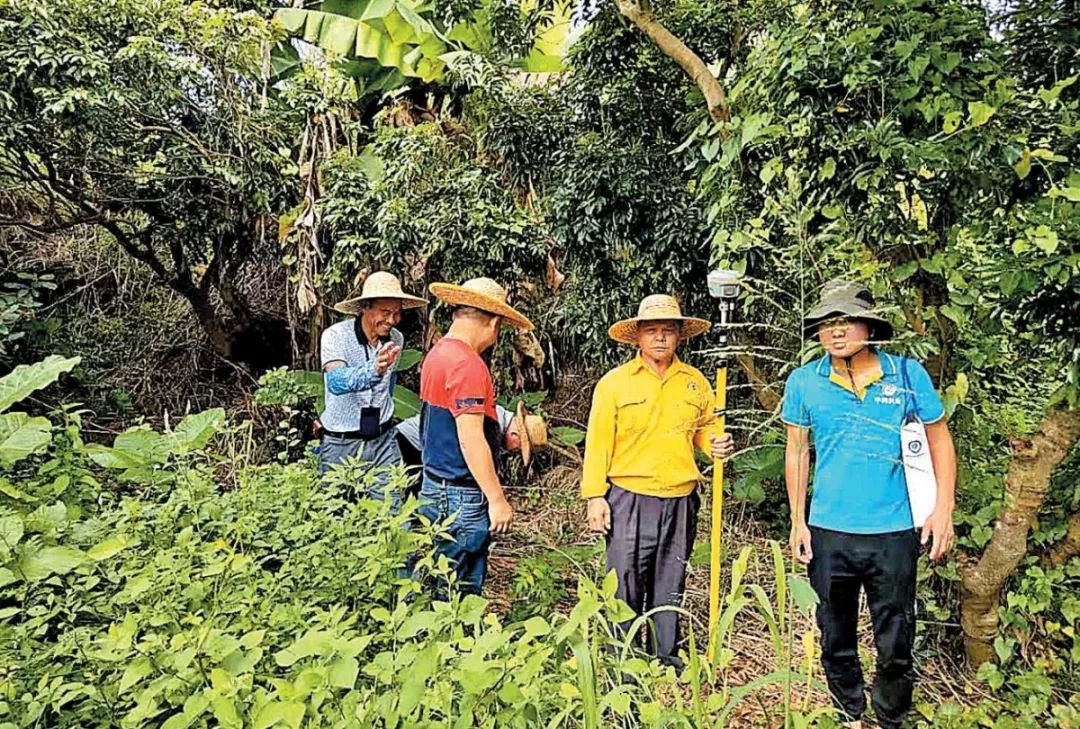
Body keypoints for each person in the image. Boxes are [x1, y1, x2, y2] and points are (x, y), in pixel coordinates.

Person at [782, 279, 956, 729]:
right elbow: (798, 451)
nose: (836, 332)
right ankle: (848, 711)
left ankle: (890, 715)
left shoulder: (905, 375)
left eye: (845, 322)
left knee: (896, 634)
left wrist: (943, 510)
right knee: (834, 632)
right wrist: (798, 521)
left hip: (894, 530)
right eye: (827, 323)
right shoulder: (805, 382)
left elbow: (939, 439)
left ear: (869, 328)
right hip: (829, 529)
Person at [581, 294, 735, 668]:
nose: (661, 338)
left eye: (668, 331)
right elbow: (598, 441)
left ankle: (666, 659)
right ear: (638, 337)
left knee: (671, 581)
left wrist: (714, 444)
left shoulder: (696, 382)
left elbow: (701, 432)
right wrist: (594, 497)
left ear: (680, 335)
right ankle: (625, 663)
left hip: (681, 497)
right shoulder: (615, 384)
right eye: (652, 331)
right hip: (629, 498)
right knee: (626, 582)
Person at [418, 277, 534, 596]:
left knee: (439, 579)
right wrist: (497, 500)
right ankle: (461, 645)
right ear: (494, 322)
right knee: (461, 590)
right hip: (460, 494)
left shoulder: (437, 354)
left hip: (434, 485)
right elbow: (470, 439)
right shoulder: (468, 365)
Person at [318, 271, 427, 507]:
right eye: (385, 312)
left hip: (383, 440)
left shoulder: (395, 339)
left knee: (392, 511)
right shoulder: (335, 337)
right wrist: (372, 370)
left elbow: (389, 385)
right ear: (365, 307)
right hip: (341, 444)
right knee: (334, 514)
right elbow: (336, 382)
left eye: (397, 313)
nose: (392, 319)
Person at [397, 401, 548, 472]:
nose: (513, 452)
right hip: (410, 444)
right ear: (515, 436)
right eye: (518, 449)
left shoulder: (495, 411)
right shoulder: (491, 426)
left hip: (424, 443)